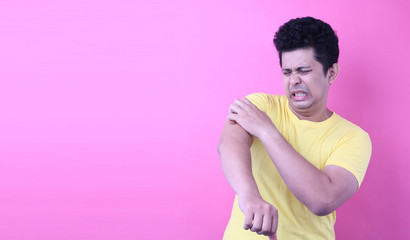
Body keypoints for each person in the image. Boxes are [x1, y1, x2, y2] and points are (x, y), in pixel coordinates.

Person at [217, 16, 372, 240]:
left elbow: (322, 199)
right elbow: (228, 145)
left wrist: (267, 132)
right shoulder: (261, 105)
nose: (294, 81)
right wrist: (249, 195)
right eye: (287, 72)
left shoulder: (353, 138)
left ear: (331, 72)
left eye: (304, 70)